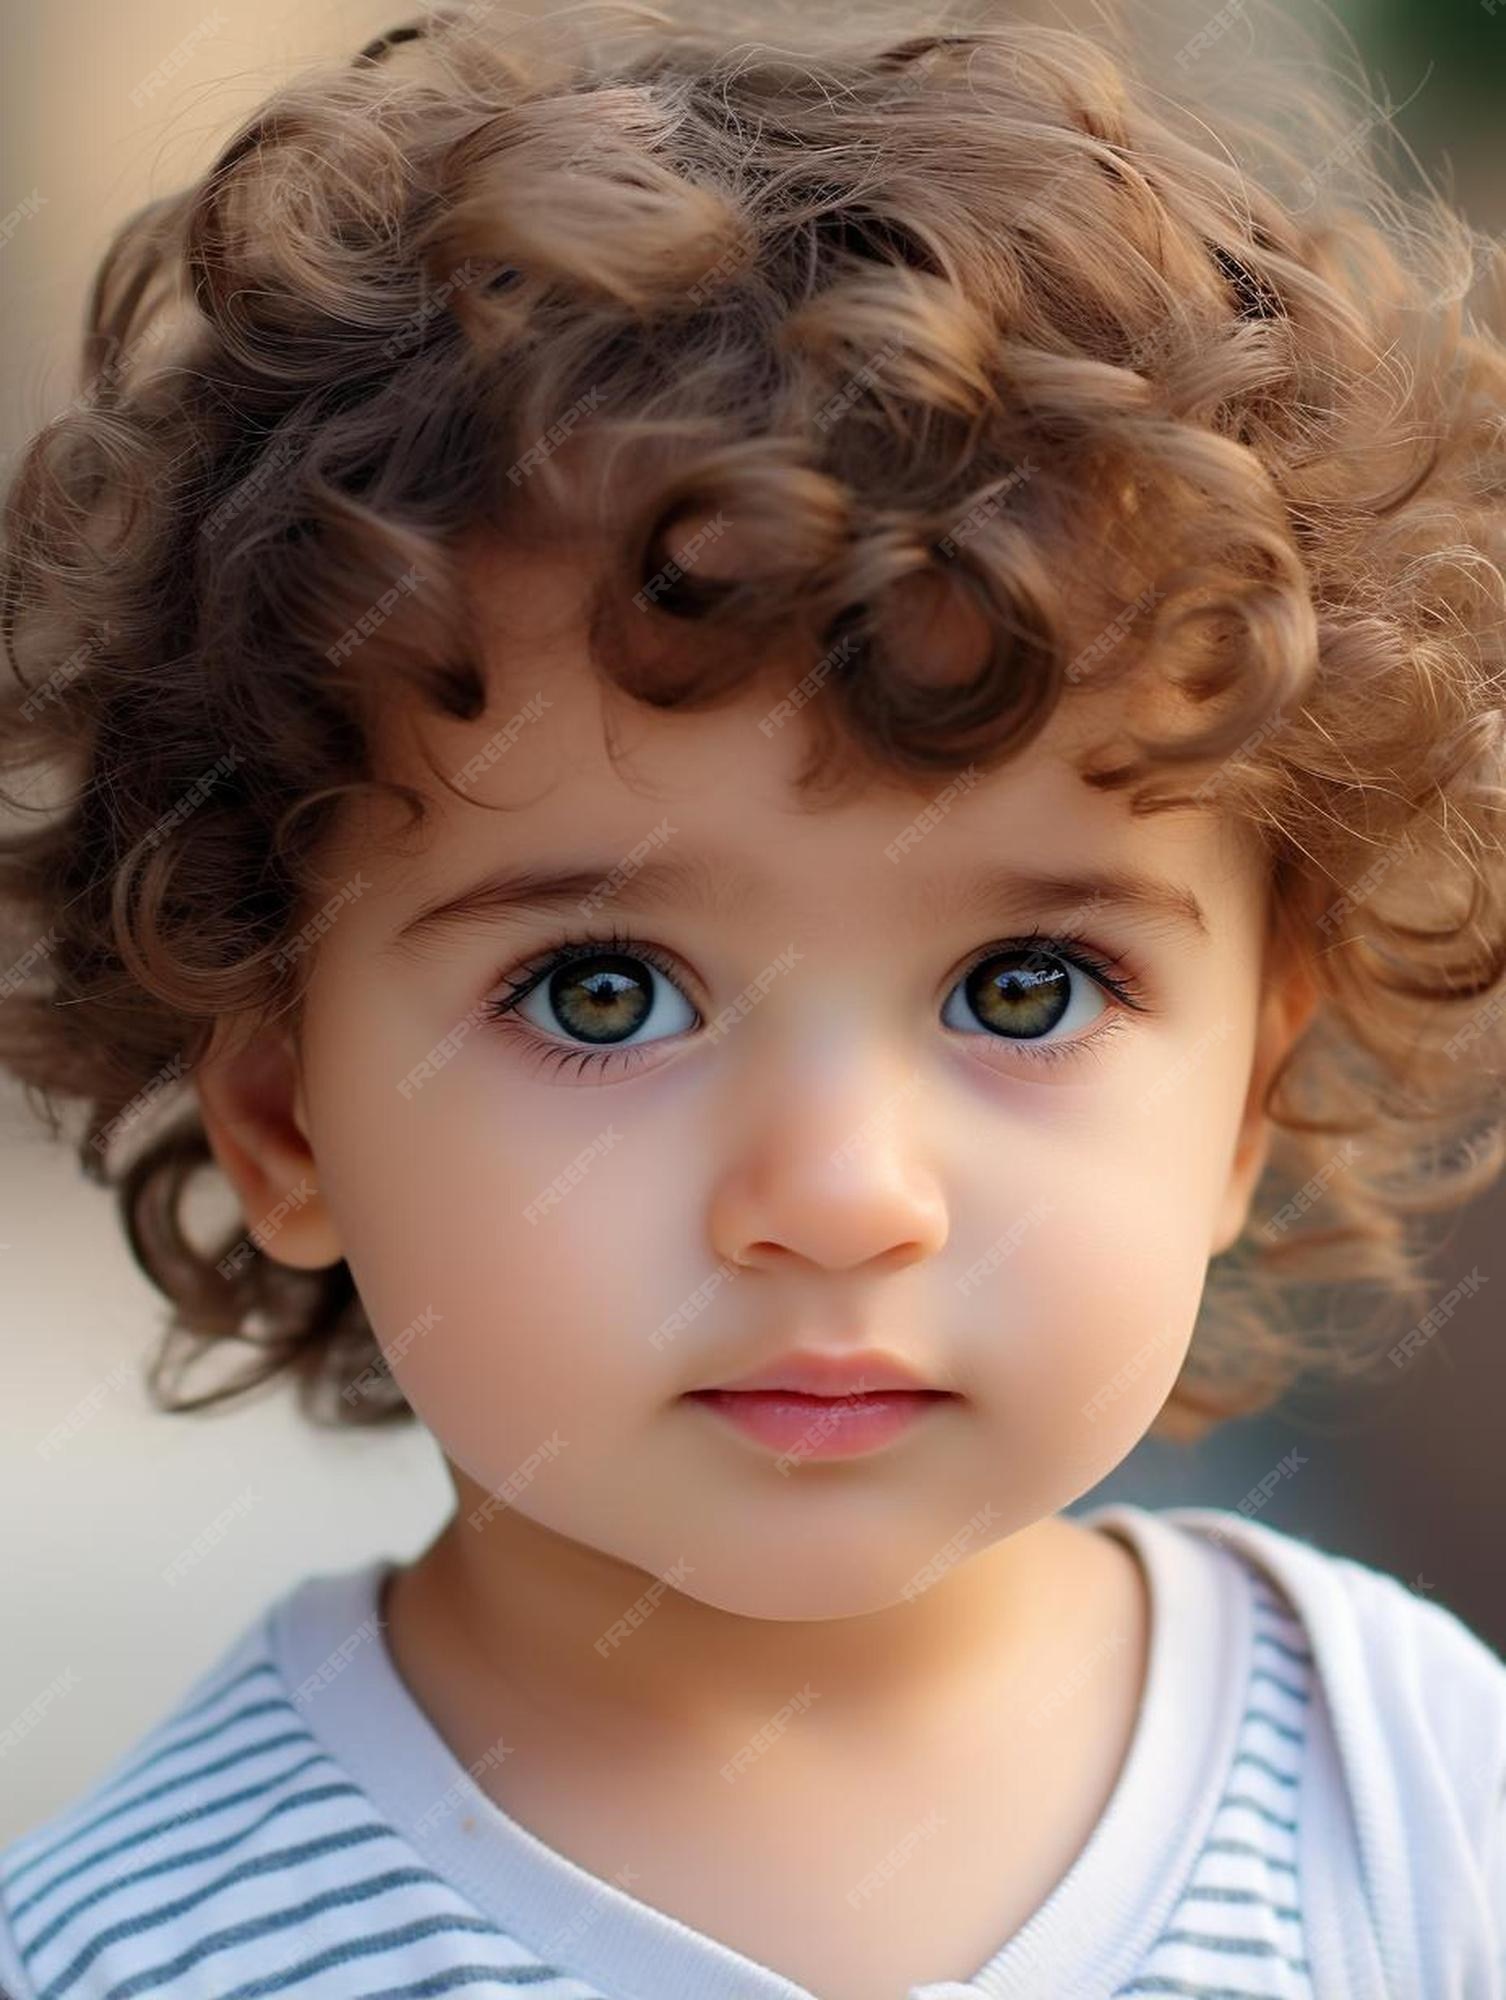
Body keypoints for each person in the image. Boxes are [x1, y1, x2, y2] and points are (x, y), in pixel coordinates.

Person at [1, 2, 1503, 1995]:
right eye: (608, 992)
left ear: (1245, 1088)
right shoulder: (147, 1951)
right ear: (286, 1112)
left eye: (1028, 984)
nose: (841, 1193)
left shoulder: (1421, 1815)